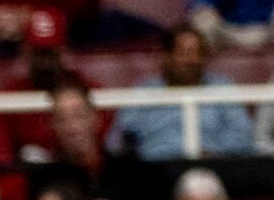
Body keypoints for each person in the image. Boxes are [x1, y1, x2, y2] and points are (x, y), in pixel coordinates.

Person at [107, 28, 256, 160]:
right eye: (184, 53)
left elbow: (242, 135)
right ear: (167, 57)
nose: (192, 61)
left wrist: (215, 153)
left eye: (198, 53)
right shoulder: (145, 91)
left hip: (210, 166)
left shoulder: (221, 87)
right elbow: (118, 140)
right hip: (156, 169)